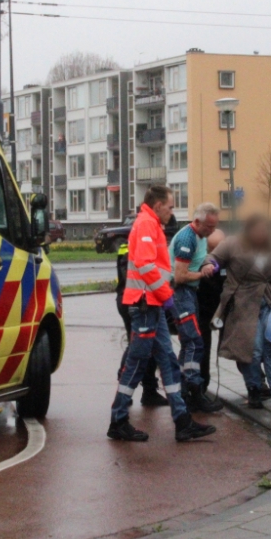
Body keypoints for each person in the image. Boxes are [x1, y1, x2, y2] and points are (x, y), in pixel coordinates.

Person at [108, 185, 216, 442]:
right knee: (137, 363)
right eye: (170, 206)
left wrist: (163, 299)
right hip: (146, 304)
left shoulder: (151, 223)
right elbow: (145, 265)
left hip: (151, 304)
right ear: (158, 206)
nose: (172, 211)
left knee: (167, 361)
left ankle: (182, 420)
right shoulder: (146, 224)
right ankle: (118, 419)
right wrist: (167, 297)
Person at [206, 214, 271, 408]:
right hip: (243, 304)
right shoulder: (232, 244)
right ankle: (254, 388)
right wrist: (209, 266)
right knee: (251, 350)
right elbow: (213, 258)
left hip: (270, 303)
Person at [169, 203, 223, 413]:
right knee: (194, 342)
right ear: (198, 222)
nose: (212, 232)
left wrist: (205, 265)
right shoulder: (187, 238)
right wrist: (203, 274)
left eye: (214, 227)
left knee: (190, 343)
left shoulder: (201, 237)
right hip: (181, 293)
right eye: (209, 227)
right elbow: (180, 276)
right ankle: (193, 391)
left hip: (190, 293)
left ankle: (185, 390)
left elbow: (196, 262)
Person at [115, 240, 168, 407]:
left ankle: (149, 390)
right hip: (134, 300)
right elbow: (133, 277)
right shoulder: (135, 247)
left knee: (147, 345)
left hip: (138, 300)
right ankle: (125, 387)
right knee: (137, 345)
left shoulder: (137, 245)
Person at [196, 229, 226, 392]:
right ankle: (201, 385)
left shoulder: (230, 259)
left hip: (226, 310)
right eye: (215, 249)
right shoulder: (202, 263)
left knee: (243, 344)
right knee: (202, 348)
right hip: (204, 311)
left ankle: (256, 383)